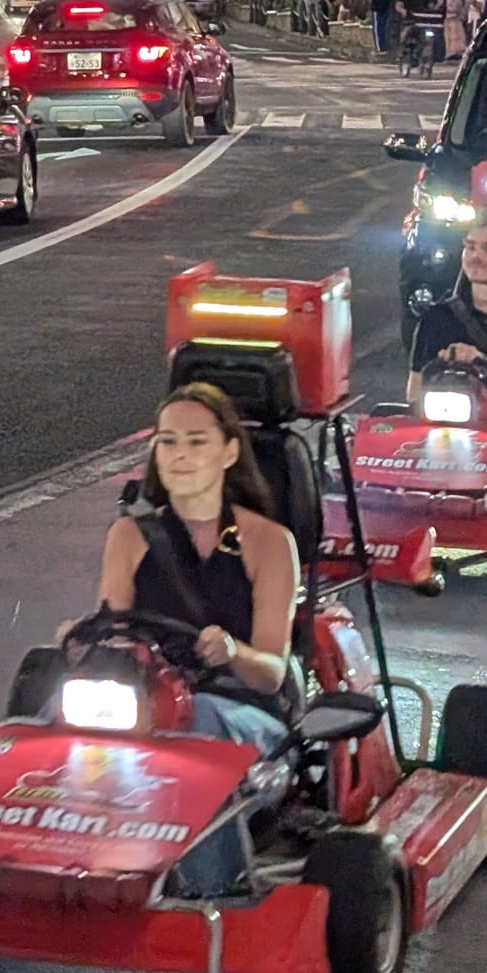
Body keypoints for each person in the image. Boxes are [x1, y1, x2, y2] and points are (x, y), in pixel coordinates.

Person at [91, 382, 301, 892]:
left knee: (199, 722)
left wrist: (232, 651)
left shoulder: (268, 542)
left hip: (244, 711)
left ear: (229, 451)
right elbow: (110, 626)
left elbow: (273, 673)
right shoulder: (130, 536)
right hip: (149, 702)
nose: (179, 456)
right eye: (168, 442)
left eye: (196, 442)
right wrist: (87, 639)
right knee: (50, 720)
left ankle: (217, 894)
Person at [410, 222, 487, 383]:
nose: (476, 257)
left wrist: (482, 361)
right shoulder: (437, 319)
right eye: (470, 247)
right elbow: (416, 392)